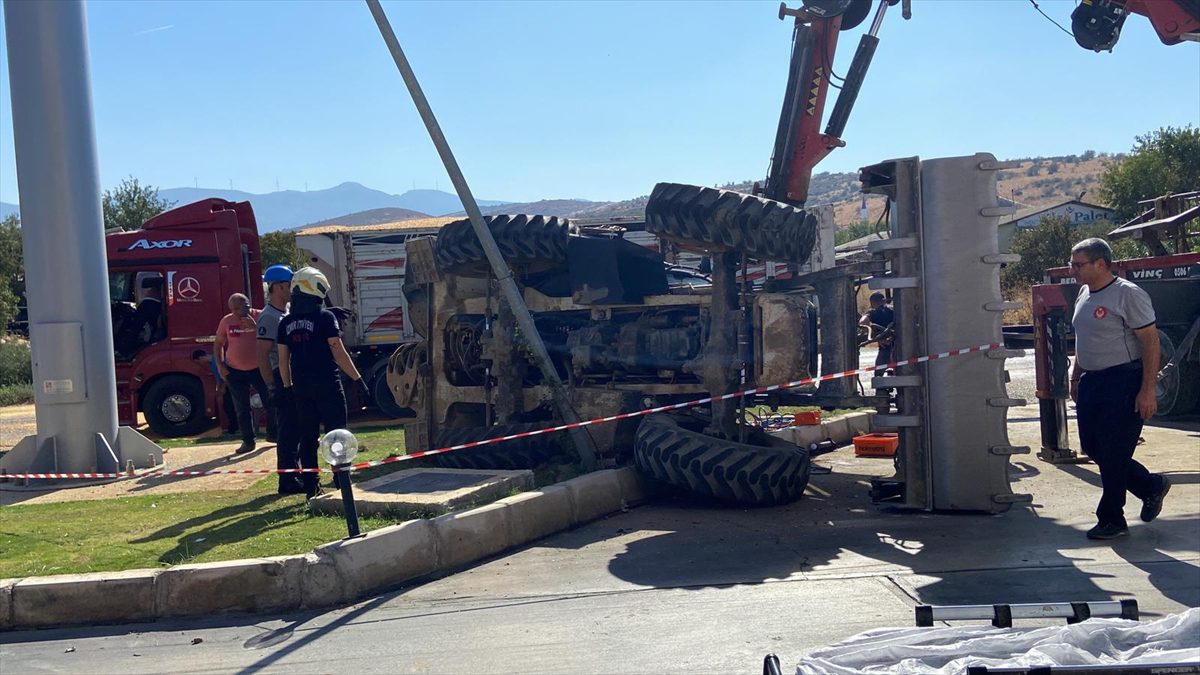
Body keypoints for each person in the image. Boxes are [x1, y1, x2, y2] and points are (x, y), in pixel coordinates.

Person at [1068, 237, 1170, 541]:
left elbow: (1150, 342)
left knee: (1113, 450)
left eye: (1078, 264)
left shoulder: (1127, 294)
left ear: (1101, 264)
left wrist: (1147, 389)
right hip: (1093, 381)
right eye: (1072, 264)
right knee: (1093, 447)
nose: (1072, 270)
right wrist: (1076, 376)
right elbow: (1084, 338)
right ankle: (1149, 485)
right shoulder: (1084, 293)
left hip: (1123, 380)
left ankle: (1112, 518)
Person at [276, 267, 370, 499]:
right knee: (337, 433)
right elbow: (338, 352)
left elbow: (283, 360)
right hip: (328, 383)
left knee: (308, 437)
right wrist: (357, 378)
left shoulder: (285, 323)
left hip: (301, 387)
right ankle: (341, 480)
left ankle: (312, 487)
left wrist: (287, 387)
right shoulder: (326, 318)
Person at [257, 265, 304, 494]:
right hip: (279, 375)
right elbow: (262, 355)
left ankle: (297, 472)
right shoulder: (269, 317)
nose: (291, 290)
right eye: (288, 286)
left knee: (296, 428)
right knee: (287, 430)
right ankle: (287, 480)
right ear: (277, 287)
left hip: (290, 375)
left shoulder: (284, 313)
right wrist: (271, 386)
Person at [215, 293, 275, 455]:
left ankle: (273, 434)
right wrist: (220, 365)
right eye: (232, 309)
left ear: (247, 305)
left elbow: (272, 338)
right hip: (235, 370)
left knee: (271, 401)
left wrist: (255, 326)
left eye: (238, 308)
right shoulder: (227, 321)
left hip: (259, 368)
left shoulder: (261, 316)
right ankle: (248, 441)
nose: (235, 312)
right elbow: (218, 343)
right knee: (242, 407)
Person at [859, 291, 896, 371]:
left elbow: (862, 322)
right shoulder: (895, 309)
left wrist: (873, 335)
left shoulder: (874, 312)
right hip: (901, 349)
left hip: (885, 349)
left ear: (873, 302)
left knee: (879, 374)